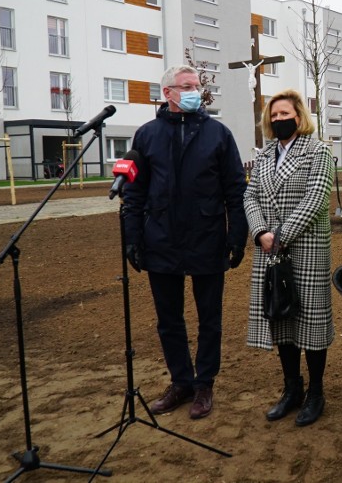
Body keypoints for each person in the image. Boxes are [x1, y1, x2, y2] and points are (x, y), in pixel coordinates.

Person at [123, 64, 247, 420]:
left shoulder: (218, 134)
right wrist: (133, 237)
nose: (196, 90)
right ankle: (181, 381)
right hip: (160, 239)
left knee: (210, 318)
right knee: (169, 319)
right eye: (188, 86)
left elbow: (235, 191)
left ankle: (204, 383)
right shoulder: (146, 136)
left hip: (207, 238)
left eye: (198, 85)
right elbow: (135, 193)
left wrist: (236, 235)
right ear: (168, 93)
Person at [244, 89, 334, 427]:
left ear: (300, 116)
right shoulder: (265, 154)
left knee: (310, 321)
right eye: (275, 115)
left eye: (286, 114)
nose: (280, 119)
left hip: (305, 249)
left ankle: (316, 392)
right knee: (280, 317)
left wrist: (279, 237)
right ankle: (291, 388)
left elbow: (316, 199)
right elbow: (248, 195)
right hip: (269, 250)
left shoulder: (318, 151)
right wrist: (260, 233)